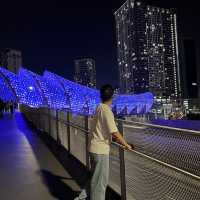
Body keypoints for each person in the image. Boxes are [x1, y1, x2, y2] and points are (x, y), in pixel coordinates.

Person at [74, 84, 133, 200]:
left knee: (94, 178)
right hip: (100, 151)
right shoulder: (106, 110)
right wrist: (126, 145)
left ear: (101, 96)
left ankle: (80, 198)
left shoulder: (98, 107)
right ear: (112, 96)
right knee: (100, 183)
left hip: (93, 148)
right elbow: (114, 131)